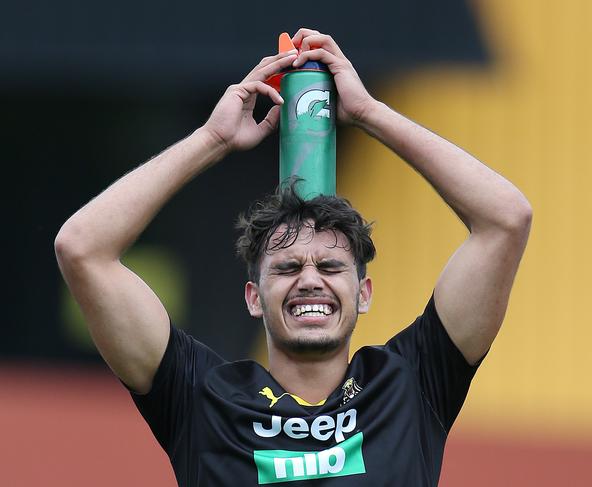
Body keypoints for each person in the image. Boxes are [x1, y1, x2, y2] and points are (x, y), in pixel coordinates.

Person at [55, 28, 531, 486]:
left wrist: (369, 113)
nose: (310, 280)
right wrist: (211, 141)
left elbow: (505, 219)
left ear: (363, 292)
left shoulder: (413, 383)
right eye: (286, 268)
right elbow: (83, 248)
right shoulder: (201, 398)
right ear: (254, 297)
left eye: (330, 266)